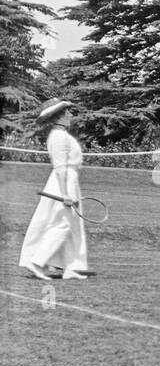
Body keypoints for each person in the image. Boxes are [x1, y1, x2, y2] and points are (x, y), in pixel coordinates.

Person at [19, 98, 89, 281]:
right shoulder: (58, 137)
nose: (71, 115)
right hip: (62, 183)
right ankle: (36, 261)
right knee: (63, 224)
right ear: (61, 115)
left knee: (72, 225)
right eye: (68, 112)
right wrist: (65, 193)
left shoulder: (63, 135)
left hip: (70, 181)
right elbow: (60, 167)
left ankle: (73, 267)